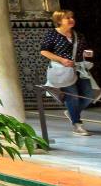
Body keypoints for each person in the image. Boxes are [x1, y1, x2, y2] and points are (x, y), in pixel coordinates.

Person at [40, 9, 94, 138]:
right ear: (59, 21)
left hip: (79, 69)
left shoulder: (78, 35)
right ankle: (77, 124)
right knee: (73, 96)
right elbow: (44, 51)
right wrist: (62, 60)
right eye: (67, 18)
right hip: (63, 70)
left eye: (72, 17)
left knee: (89, 95)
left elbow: (84, 50)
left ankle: (72, 112)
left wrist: (87, 53)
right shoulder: (52, 34)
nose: (71, 20)